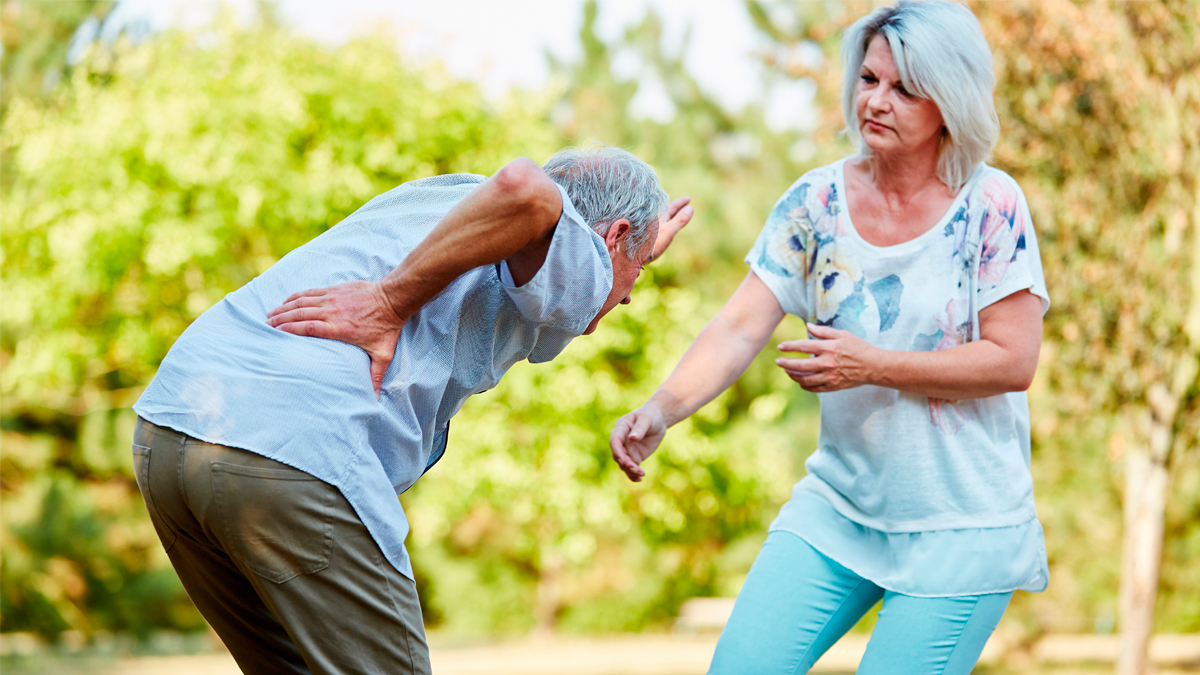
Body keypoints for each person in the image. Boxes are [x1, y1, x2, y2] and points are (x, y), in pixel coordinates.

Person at [131, 144, 692, 675]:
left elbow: (555, 252)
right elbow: (528, 188)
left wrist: (633, 252)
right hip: (290, 451)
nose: (628, 294)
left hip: (174, 429)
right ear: (612, 235)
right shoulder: (572, 240)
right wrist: (388, 301)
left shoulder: (440, 200)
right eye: (639, 269)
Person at [610, 2, 1048, 673]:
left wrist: (872, 364)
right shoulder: (814, 204)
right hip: (840, 510)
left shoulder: (990, 205)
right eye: (869, 78)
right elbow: (738, 324)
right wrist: (661, 409)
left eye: (904, 88)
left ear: (949, 104)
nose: (876, 100)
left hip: (963, 524)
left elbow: (1012, 359)